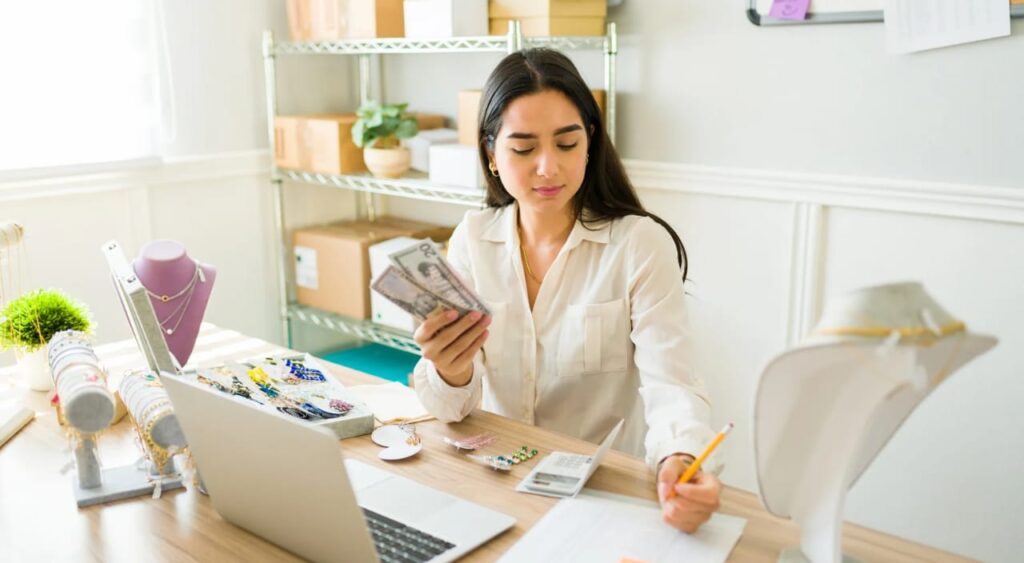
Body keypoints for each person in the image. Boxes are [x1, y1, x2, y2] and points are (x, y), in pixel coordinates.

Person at [411, 48, 722, 533]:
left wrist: (679, 456)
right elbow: (450, 411)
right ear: (492, 155)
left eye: (566, 143)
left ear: (590, 143)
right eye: (523, 148)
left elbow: (673, 384)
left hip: (600, 496)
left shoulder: (639, 244)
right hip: (495, 484)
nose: (548, 168)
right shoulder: (472, 238)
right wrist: (450, 372)